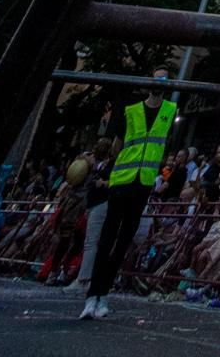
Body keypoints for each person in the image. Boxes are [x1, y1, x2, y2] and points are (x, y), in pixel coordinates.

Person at [81, 75, 180, 317]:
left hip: (143, 183)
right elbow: (117, 146)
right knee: (107, 238)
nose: (159, 83)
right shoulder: (131, 111)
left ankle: (103, 294)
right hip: (122, 180)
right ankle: (92, 295)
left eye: (165, 80)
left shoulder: (170, 111)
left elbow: (166, 144)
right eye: (157, 79)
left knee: (124, 240)